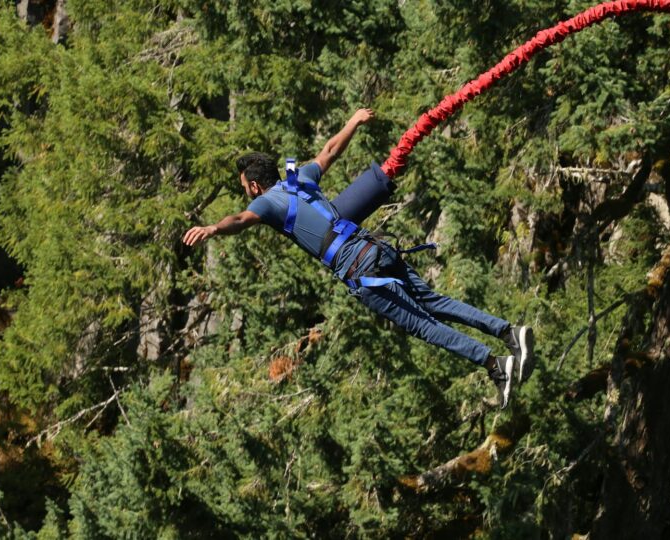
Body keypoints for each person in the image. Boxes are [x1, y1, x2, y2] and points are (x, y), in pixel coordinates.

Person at [182, 109, 534, 408]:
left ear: (255, 187)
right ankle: (507, 332)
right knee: (433, 301)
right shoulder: (299, 178)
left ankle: (495, 365)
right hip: (375, 247)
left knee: (423, 325)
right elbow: (329, 152)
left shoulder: (266, 202)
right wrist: (352, 122)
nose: (247, 194)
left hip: (357, 267)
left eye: (245, 188)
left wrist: (213, 228)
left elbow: (241, 220)